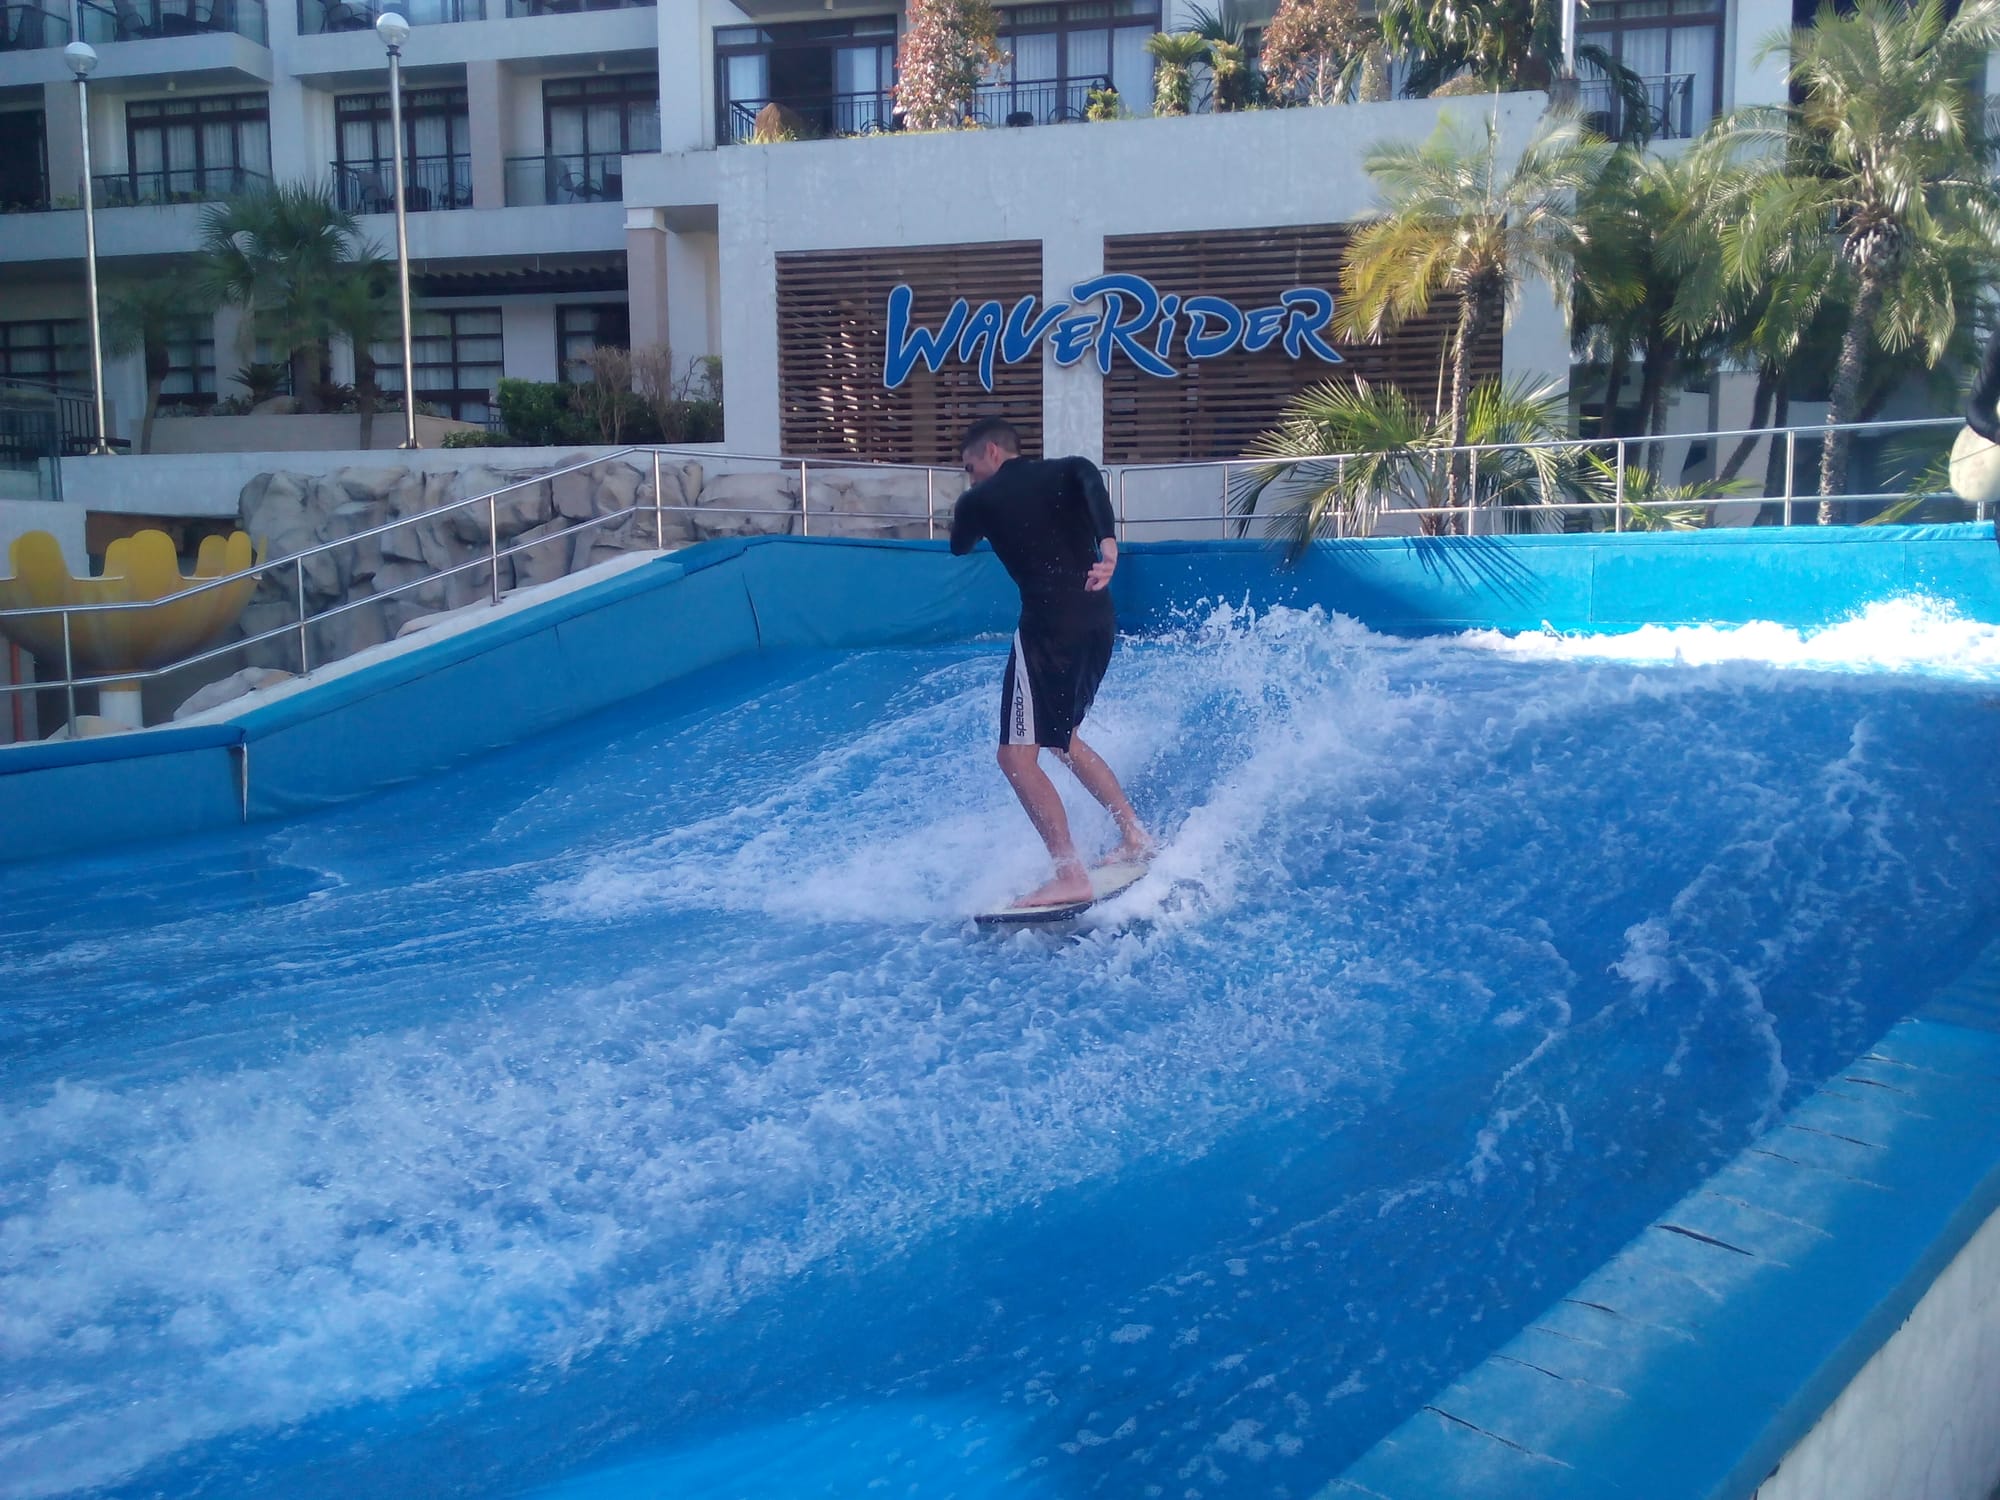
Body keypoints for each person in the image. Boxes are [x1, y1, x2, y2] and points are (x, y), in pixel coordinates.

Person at [949, 418, 1153, 908]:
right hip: (1097, 617)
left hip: (1047, 628)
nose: (970, 476)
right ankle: (1135, 835)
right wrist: (1107, 546)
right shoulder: (1070, 470)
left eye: (970, 466)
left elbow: (959, 544)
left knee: (1015, 755)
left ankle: (1069, 874)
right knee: (1061, 739)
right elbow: (1090, 482)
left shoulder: (978, 500)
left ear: (992, 453)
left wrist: (971, 509)